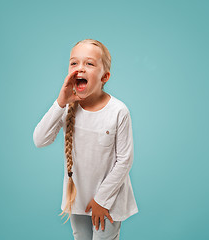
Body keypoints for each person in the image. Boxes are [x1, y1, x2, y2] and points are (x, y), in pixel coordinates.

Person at [33, 39, 138, 240]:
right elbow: (40, 139)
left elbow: (124, 160)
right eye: (74, 63)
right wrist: (60, 102)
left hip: (108, 200)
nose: (80, 68)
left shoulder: (118, 111)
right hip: (78, 198)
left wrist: (101, 200)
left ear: (104, 76)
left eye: (89, 64)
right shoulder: (67, 108)